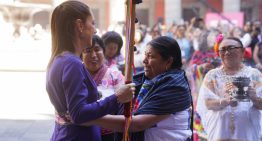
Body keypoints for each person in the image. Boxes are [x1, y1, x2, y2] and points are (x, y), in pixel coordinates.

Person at [46, 1, 135, 141]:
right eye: (92, 23)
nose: (95, 30)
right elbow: (79, 113)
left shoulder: (59, 59)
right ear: (80, 26)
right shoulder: (72, 63)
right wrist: (117, 97)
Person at [85, 36, 193, 141]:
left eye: (150, 56)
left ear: (168, 62)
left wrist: (89, 118)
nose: (144, 61)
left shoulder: (174, 87)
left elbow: (137, 124)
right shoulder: (144, 81)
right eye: (145, 55)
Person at [196, 37, 262, 141]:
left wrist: (254, 98)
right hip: (220, 132)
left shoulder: (255, 75)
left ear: (242, 51)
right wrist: (224, 101)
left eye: (231, 48)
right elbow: (207, 103)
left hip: (246, 133)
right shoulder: (212, 75)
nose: (227, 52)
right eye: (223, 49)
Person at [81, 35, 125, 140]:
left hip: (109, 133)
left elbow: (123, 103)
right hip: (81, 132)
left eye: (97, 50)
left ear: (103, 51)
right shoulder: (75, 75)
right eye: (87, 50)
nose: (93, 55)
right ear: (80, 54)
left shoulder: (115, 75)